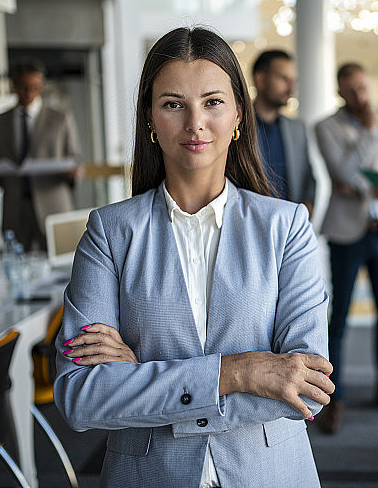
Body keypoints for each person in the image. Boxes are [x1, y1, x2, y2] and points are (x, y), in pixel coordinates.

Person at [53, 27, 335, 487]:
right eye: (172, 104)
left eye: (213, 102)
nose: (195, 123)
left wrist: (140, 376)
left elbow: (308, 388)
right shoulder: (110, 232)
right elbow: (81, 397)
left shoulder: (286, 227)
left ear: (239, 114)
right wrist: (238, 372)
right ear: (149, 118)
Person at [314, 62, 378, 434]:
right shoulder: (326, 127)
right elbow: (342, 172)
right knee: (338, 315)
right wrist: (368, 139)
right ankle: (331, 397)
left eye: (362, 87)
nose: (359, 96)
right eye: (351, 90)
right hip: (345, 232)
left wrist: (367, 184)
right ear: (340, 92)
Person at [0, 58, 80, 251]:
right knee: (16, 269)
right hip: (15, 211)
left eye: (35, 87)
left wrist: (73, 173)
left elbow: (75, 159)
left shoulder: (60, 118)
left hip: (53, 208)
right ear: (13, 85)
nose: (29, 93)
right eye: (24, 87)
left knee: (64, 272)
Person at [252, 49, 316, 216]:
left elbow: (308, 175)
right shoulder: (235, 126)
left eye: (294, 81)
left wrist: (308, 206)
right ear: (260, 79)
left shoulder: (297, 129)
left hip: (289, 227)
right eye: (284, 79)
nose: (291, 87)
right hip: (248, 223)